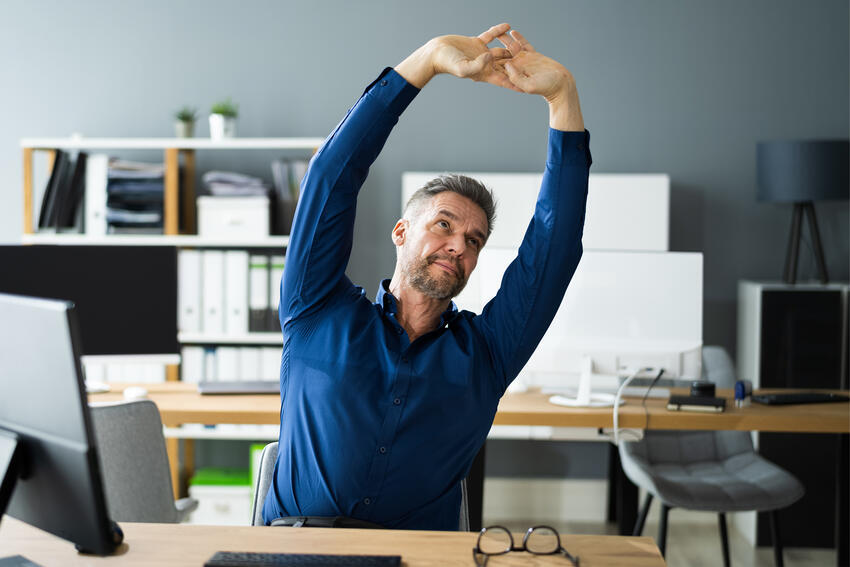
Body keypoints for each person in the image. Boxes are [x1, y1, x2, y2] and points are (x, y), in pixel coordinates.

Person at [263, 23, 591, 530]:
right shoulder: (316, 309)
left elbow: (554, 249)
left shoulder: (487, 353)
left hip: (420, 558)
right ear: (400, 232)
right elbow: (331, 176)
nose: (459, 244)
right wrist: (428, 61)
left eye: (475, 239)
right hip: (296, 552)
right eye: (444, 224)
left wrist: (562, 98)